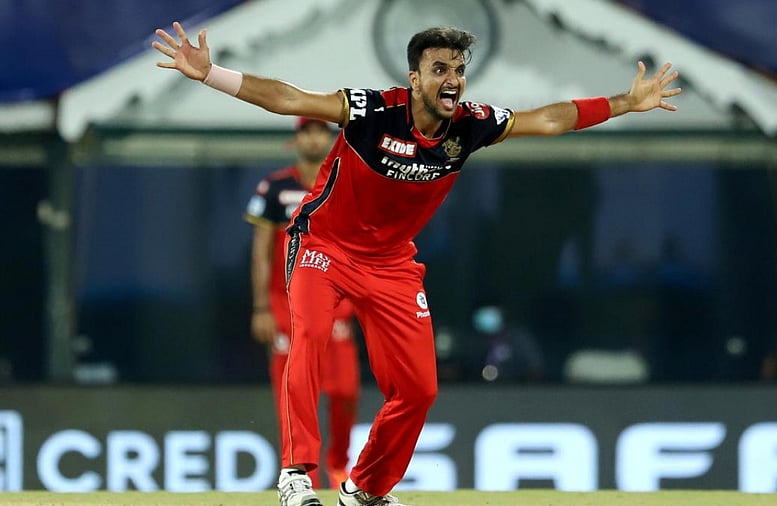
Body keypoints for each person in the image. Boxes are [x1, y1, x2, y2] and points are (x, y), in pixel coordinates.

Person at [153, 21, 681, 506]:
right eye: (439, 69)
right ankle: (297, 474)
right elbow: (290, 97)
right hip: (324, 245)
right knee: (308, 337)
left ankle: (366, 488)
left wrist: (625, 104)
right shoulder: (373, 109)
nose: (452, 79)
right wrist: (211, 74)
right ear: (414, 77)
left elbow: (546, 120)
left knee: (419, 390)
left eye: (458, 70)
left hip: (391, 264)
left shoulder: (471, 126)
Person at [243, 116, 360, 490]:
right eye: (307, 132)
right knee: (292, 396)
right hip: (286, 306)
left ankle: (338, 461)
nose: (313, 139)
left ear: (328, 138)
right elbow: (261, 251)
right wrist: (260, 307)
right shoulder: (275, 187)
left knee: (344, 393)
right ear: (297, 140)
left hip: (335, 303)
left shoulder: (345, 183)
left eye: (320, 132)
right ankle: (301, 476)